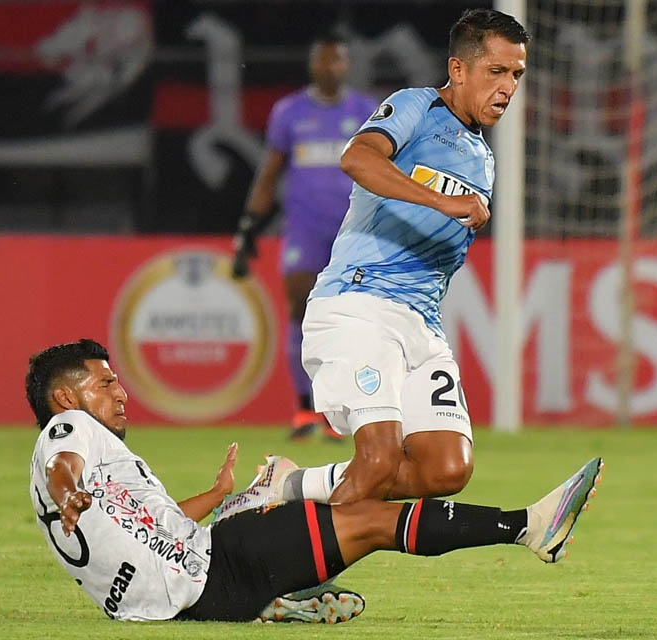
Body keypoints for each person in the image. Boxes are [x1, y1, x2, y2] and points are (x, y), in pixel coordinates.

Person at [26, 339, 602, 623]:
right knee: (372, 518)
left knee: (324, 515)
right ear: (67, 398)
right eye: (106, 385)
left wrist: (215, 496)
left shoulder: (89, 454)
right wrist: (68, 490)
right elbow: (63, 468)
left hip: (190, 586)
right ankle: (527, 527)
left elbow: (150, 525)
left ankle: (280, 584)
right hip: (212, 574)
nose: (122, 392)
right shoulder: (67, 433)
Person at [217, 8, 529, 518]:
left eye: (516, 74)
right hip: (360, 305)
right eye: (496, 71)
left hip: (422, 325)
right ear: (458, 70)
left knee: (446, 468)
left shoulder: (483, 158)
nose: (508, 86)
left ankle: (289, 486)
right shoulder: (416, 107)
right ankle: (293, 581)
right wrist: (441, 201)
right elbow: (357, 159)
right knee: (380, 459)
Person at [232, 30, 379, 441]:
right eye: (324, 60)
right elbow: (270, 172)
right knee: (300, 308)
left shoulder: (366, 112)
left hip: (354, 229)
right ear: (313, 64)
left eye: (338, 60)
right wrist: (248, 227)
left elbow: (383, 171)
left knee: (353, 318)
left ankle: (341, 410)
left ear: (346, 66)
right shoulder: (289, 112)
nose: (331, 67)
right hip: (305, 229)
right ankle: (303, 409)